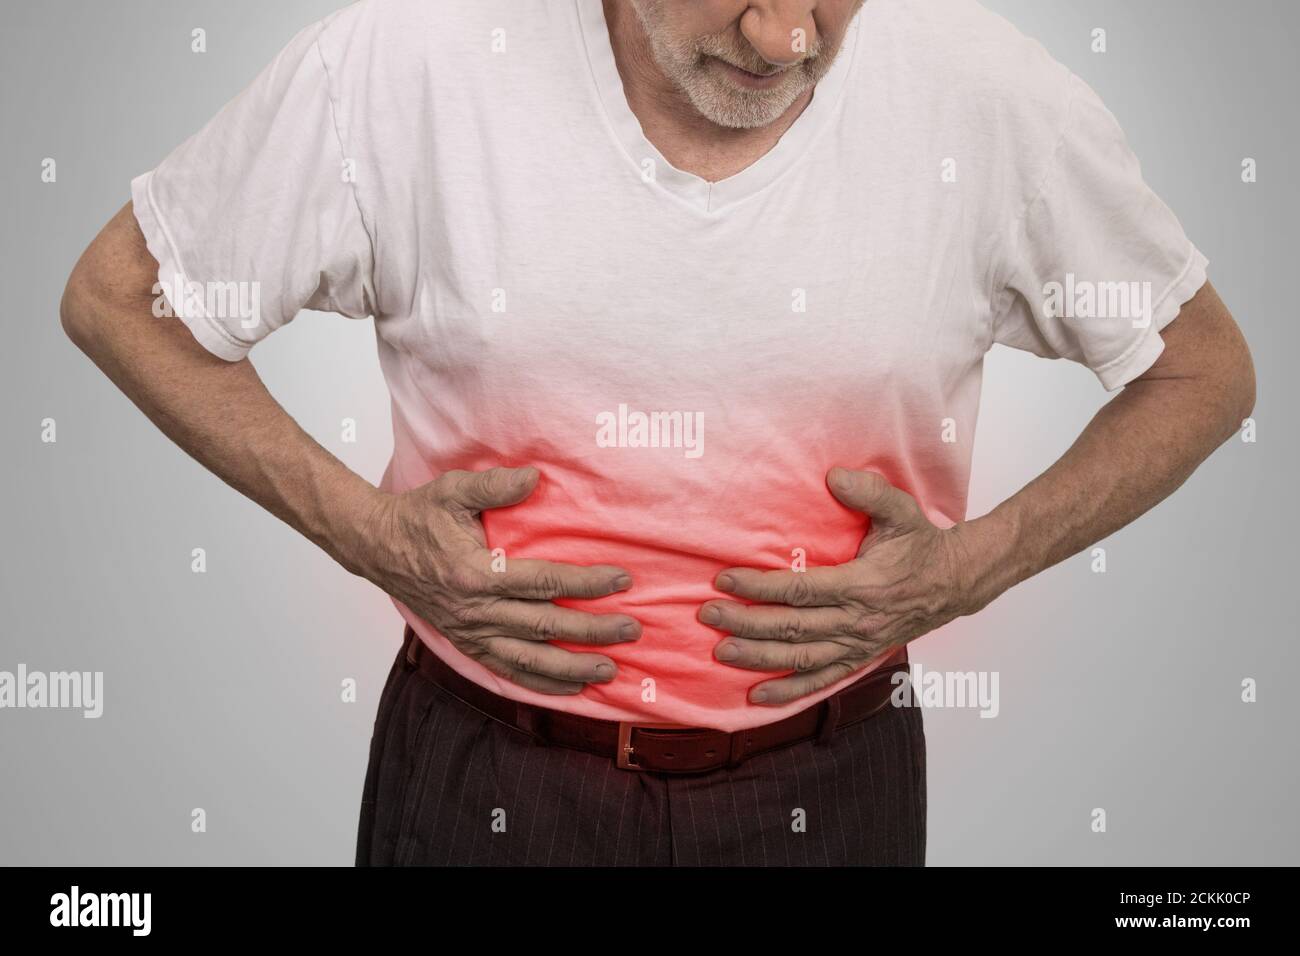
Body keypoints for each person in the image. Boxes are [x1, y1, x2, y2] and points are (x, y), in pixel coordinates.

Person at [61, 0, 1254, 866]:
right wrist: (365, 530)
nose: (786, 37)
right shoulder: (404, 63)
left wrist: (970, 566)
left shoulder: (989, 97)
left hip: (832, 787)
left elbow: (1203, 368)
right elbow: (121, 294)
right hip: (489, 779)